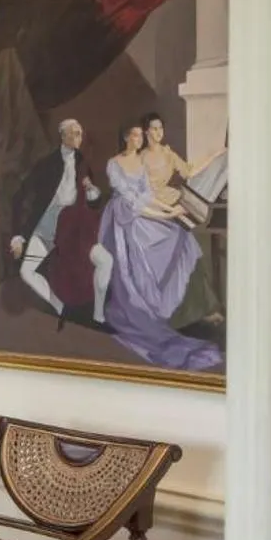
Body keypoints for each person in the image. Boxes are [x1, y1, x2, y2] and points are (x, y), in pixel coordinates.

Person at [96, 120, 223, 371]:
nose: (141, 139)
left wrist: (169, 210)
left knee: (180, 237)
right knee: (141, 254)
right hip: (125, 217)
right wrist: (165, 213)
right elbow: (132, 201)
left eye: (141, 135)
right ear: (128, 137)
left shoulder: (151, 158)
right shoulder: (117, 163)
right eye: (137, 135)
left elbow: (147, 196)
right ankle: (148, 306)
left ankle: (181, 306)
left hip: (147, 210)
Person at [7, 118, 104, 318]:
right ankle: (60, 307)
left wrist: (92, 191)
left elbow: (93, 204)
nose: (79, 137)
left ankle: (87, 310)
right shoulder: (47, 164)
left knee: (94, 264)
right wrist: (18, 236)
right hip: (48, 226)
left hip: (73, 229)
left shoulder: (83, 163)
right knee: (26, 272)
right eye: (74, 133)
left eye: (80, 133)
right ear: (63, 136)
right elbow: (20, 195)